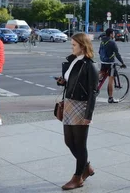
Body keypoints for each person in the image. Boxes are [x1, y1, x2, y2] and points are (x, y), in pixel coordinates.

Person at [55, 33, 99, 190]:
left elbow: (93, 92)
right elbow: (71, 80)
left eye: (74, 45)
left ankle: (78, 177)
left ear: (83, 46)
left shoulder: (90, 65)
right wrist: (63, 81)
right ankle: (86, 167)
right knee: (69, 141)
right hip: (69, 104)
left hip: (81, 106)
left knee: (80, 144)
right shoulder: (73, 60)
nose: (71, 47)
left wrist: (89, 115)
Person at [98, 28, 127, 103]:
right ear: (111, 34)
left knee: (101, 74)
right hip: (110, 63)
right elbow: (117, 54)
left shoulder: (102, 41)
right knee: (111, 80)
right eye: (113, 33)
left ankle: (94, 86)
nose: (114, 34)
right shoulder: (112, 42)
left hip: (103, 62)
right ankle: (110, 98)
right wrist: (122, 63)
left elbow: (99, 52)